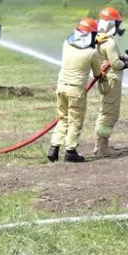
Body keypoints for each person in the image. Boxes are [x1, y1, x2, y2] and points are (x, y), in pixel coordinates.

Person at [48, 18, 107, 163]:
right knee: (75, 121)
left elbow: (77, 41)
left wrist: (92, 40)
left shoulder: (66, 44)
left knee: (63, 118)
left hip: (61, 87)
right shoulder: (92, 53)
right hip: (75, 91)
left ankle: (54, 148)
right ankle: (70, 151)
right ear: (91, 35)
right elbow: (97, 73)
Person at [93, 6, 128, 156]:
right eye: (116, 23)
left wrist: (126, 57)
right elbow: (115, 64)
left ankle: (99, 145)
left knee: (104, 112)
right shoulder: (109, 42)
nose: (118, 26)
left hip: (105, 80)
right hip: (112, 81)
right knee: (111, 114)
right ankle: (103, 149)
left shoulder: (98, 39)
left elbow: (109, 58)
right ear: (111, 24)